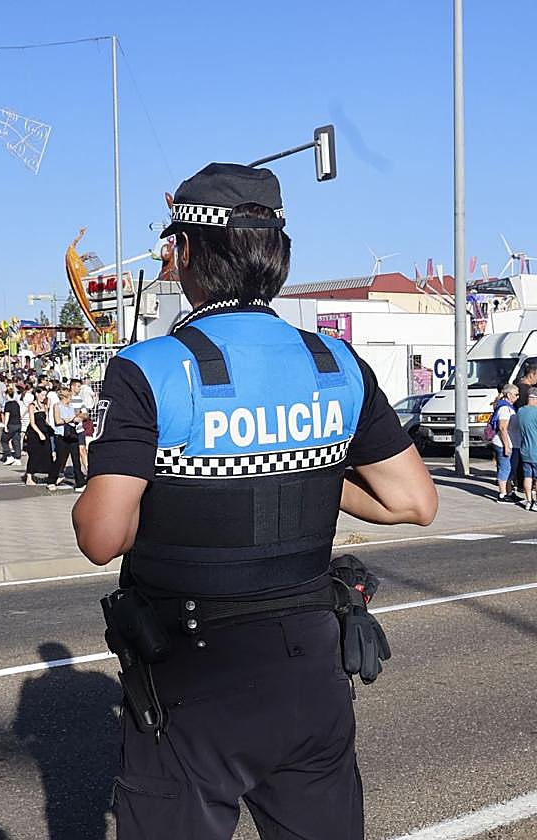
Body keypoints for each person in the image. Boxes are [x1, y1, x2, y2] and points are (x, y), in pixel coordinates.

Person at [72, 162, 437, 840]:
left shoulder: (150, 367)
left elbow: (101, 537)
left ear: (185, 251)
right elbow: (414, 502)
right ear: (276, 253)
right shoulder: (336, 362)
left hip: (191, 674)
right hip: (312, 670)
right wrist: (310, 469)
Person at [47, 388, 86, 492]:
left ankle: (80, 483)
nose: (71, 398)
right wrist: (70, 419)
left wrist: (77, 419)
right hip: (61, 435)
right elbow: (57, 421)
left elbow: (74, 419)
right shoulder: (57, 406)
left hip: (72, 433)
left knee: (76, 459)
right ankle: (51, 480)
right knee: (60, 459)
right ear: (65, 396)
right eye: (69, 396)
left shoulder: (71, 406)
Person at [493, 384, 522, 503]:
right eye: (516, 394)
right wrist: (506, 446)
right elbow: (502, 428)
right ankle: (502, 494)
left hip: (512, 443)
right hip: (504, 444)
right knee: (505, 469)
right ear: (509, 395)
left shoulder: (509, 407)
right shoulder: (504, 408)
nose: (518, 397)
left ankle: (509, 492)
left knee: (510, 469)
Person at [24, 386, 55, 486]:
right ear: (36, 394)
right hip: (34, 433)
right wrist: (39, 433)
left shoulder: (45, 405)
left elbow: (46, 420)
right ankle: (29, 476)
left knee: (47, 453)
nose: (43, 397)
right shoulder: (32, 406)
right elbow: (32, 423)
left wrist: (51, 429)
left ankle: (50, 475)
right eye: (42, 395)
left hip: (44, 431)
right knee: (34, 454)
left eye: (45, 395)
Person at [516, 390, 537, 510]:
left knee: (527, 477)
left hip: (525, 449)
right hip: (535, 449)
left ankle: (529, 501)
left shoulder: (520, 411)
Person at [0, 387, 24, 465]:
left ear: (7, 395)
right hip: (18, 424)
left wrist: (5, 425)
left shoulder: (8, 404)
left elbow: (7, 415)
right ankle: (18, 458)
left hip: (11, 424)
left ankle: (9, 456)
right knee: (16, 441)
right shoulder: (17, 404)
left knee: (4, 440)